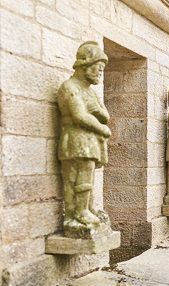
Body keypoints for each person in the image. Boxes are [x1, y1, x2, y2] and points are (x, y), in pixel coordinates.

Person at [58, 41, 110, 232]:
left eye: (102, 70)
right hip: (76, 138)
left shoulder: (89, 91)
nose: (100, 73)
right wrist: (102, 129)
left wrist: (97, 111)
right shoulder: (70, 87)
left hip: (89, 140)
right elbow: (80, 116)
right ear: (85, 65)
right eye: (99, 68)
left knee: (88, 176)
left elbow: (105, 115)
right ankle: (76, 213)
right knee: (77, 177)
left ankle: (87, 208)